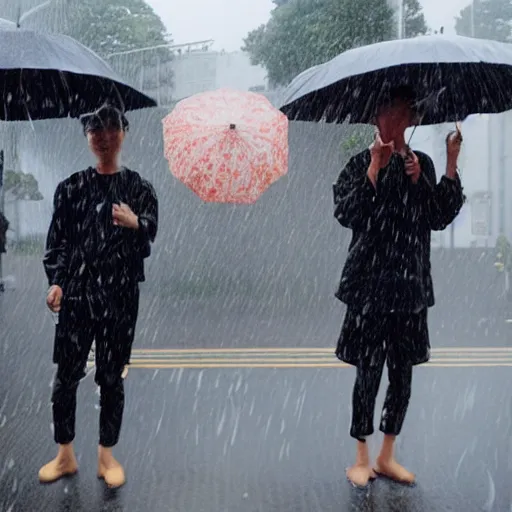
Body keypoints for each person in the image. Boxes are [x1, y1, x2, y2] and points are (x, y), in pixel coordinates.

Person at [332, 86, 464, 488]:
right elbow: (347, 213)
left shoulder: (418, 163)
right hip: (369, 286)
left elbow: (439, 215)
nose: (396, 120)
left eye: (404, 113)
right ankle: (361, 457)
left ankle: (387, 455)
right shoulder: (360, 163)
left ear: (410, 120)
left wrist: (448, 164)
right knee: (368, 373)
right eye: (389, 112)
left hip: (409, 287)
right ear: (377, 118)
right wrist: (374, 168)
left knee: (402, 374)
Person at [39, 105, 158, 488]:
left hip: (120, 298)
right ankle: (64, 455)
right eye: (94, 128)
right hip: (76, 295)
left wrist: (136, 223)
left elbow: (150, 235)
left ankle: (106, 457)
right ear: (87, 136)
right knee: (66, 377)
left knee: (111, 378)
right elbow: (56, 243)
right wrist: (56, 282)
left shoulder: (138, 188)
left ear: (124, 132)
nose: (103, 135)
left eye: (110, 126)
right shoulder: (71, 187)